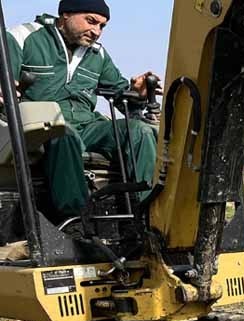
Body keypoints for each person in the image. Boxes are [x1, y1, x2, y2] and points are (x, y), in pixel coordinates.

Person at [5, 0, 159, 217]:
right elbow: (5, 82)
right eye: (91, 21)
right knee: (63, 133)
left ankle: (148, 214)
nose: (97, 31)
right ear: (66, 14)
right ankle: (76, 218)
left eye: (102, 26)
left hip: (87, 126)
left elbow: (122, 97)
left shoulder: (98, 54)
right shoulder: (23, 37)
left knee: (140, 131)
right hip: (41, 126)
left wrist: (137, 93)